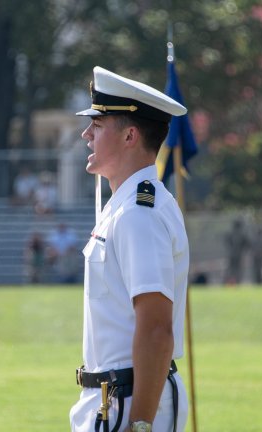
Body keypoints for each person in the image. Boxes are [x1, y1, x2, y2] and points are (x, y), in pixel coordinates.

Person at [70, 67, 190, 432]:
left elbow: (156, 329)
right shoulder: (126, 206)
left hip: (130, 402)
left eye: (98, 125)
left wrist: (140, 423)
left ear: (130, 136)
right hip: (114, 398)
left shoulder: (139, 214)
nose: (85, 134)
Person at [223, 219, 249, 285]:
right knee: (238, 270)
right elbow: (247, 244)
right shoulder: (242, 234)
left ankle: (228, 281)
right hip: (239, 255)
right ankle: (236, 282)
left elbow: (227, 241)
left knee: (230, 269)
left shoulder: (230, 233)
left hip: (231, 255)